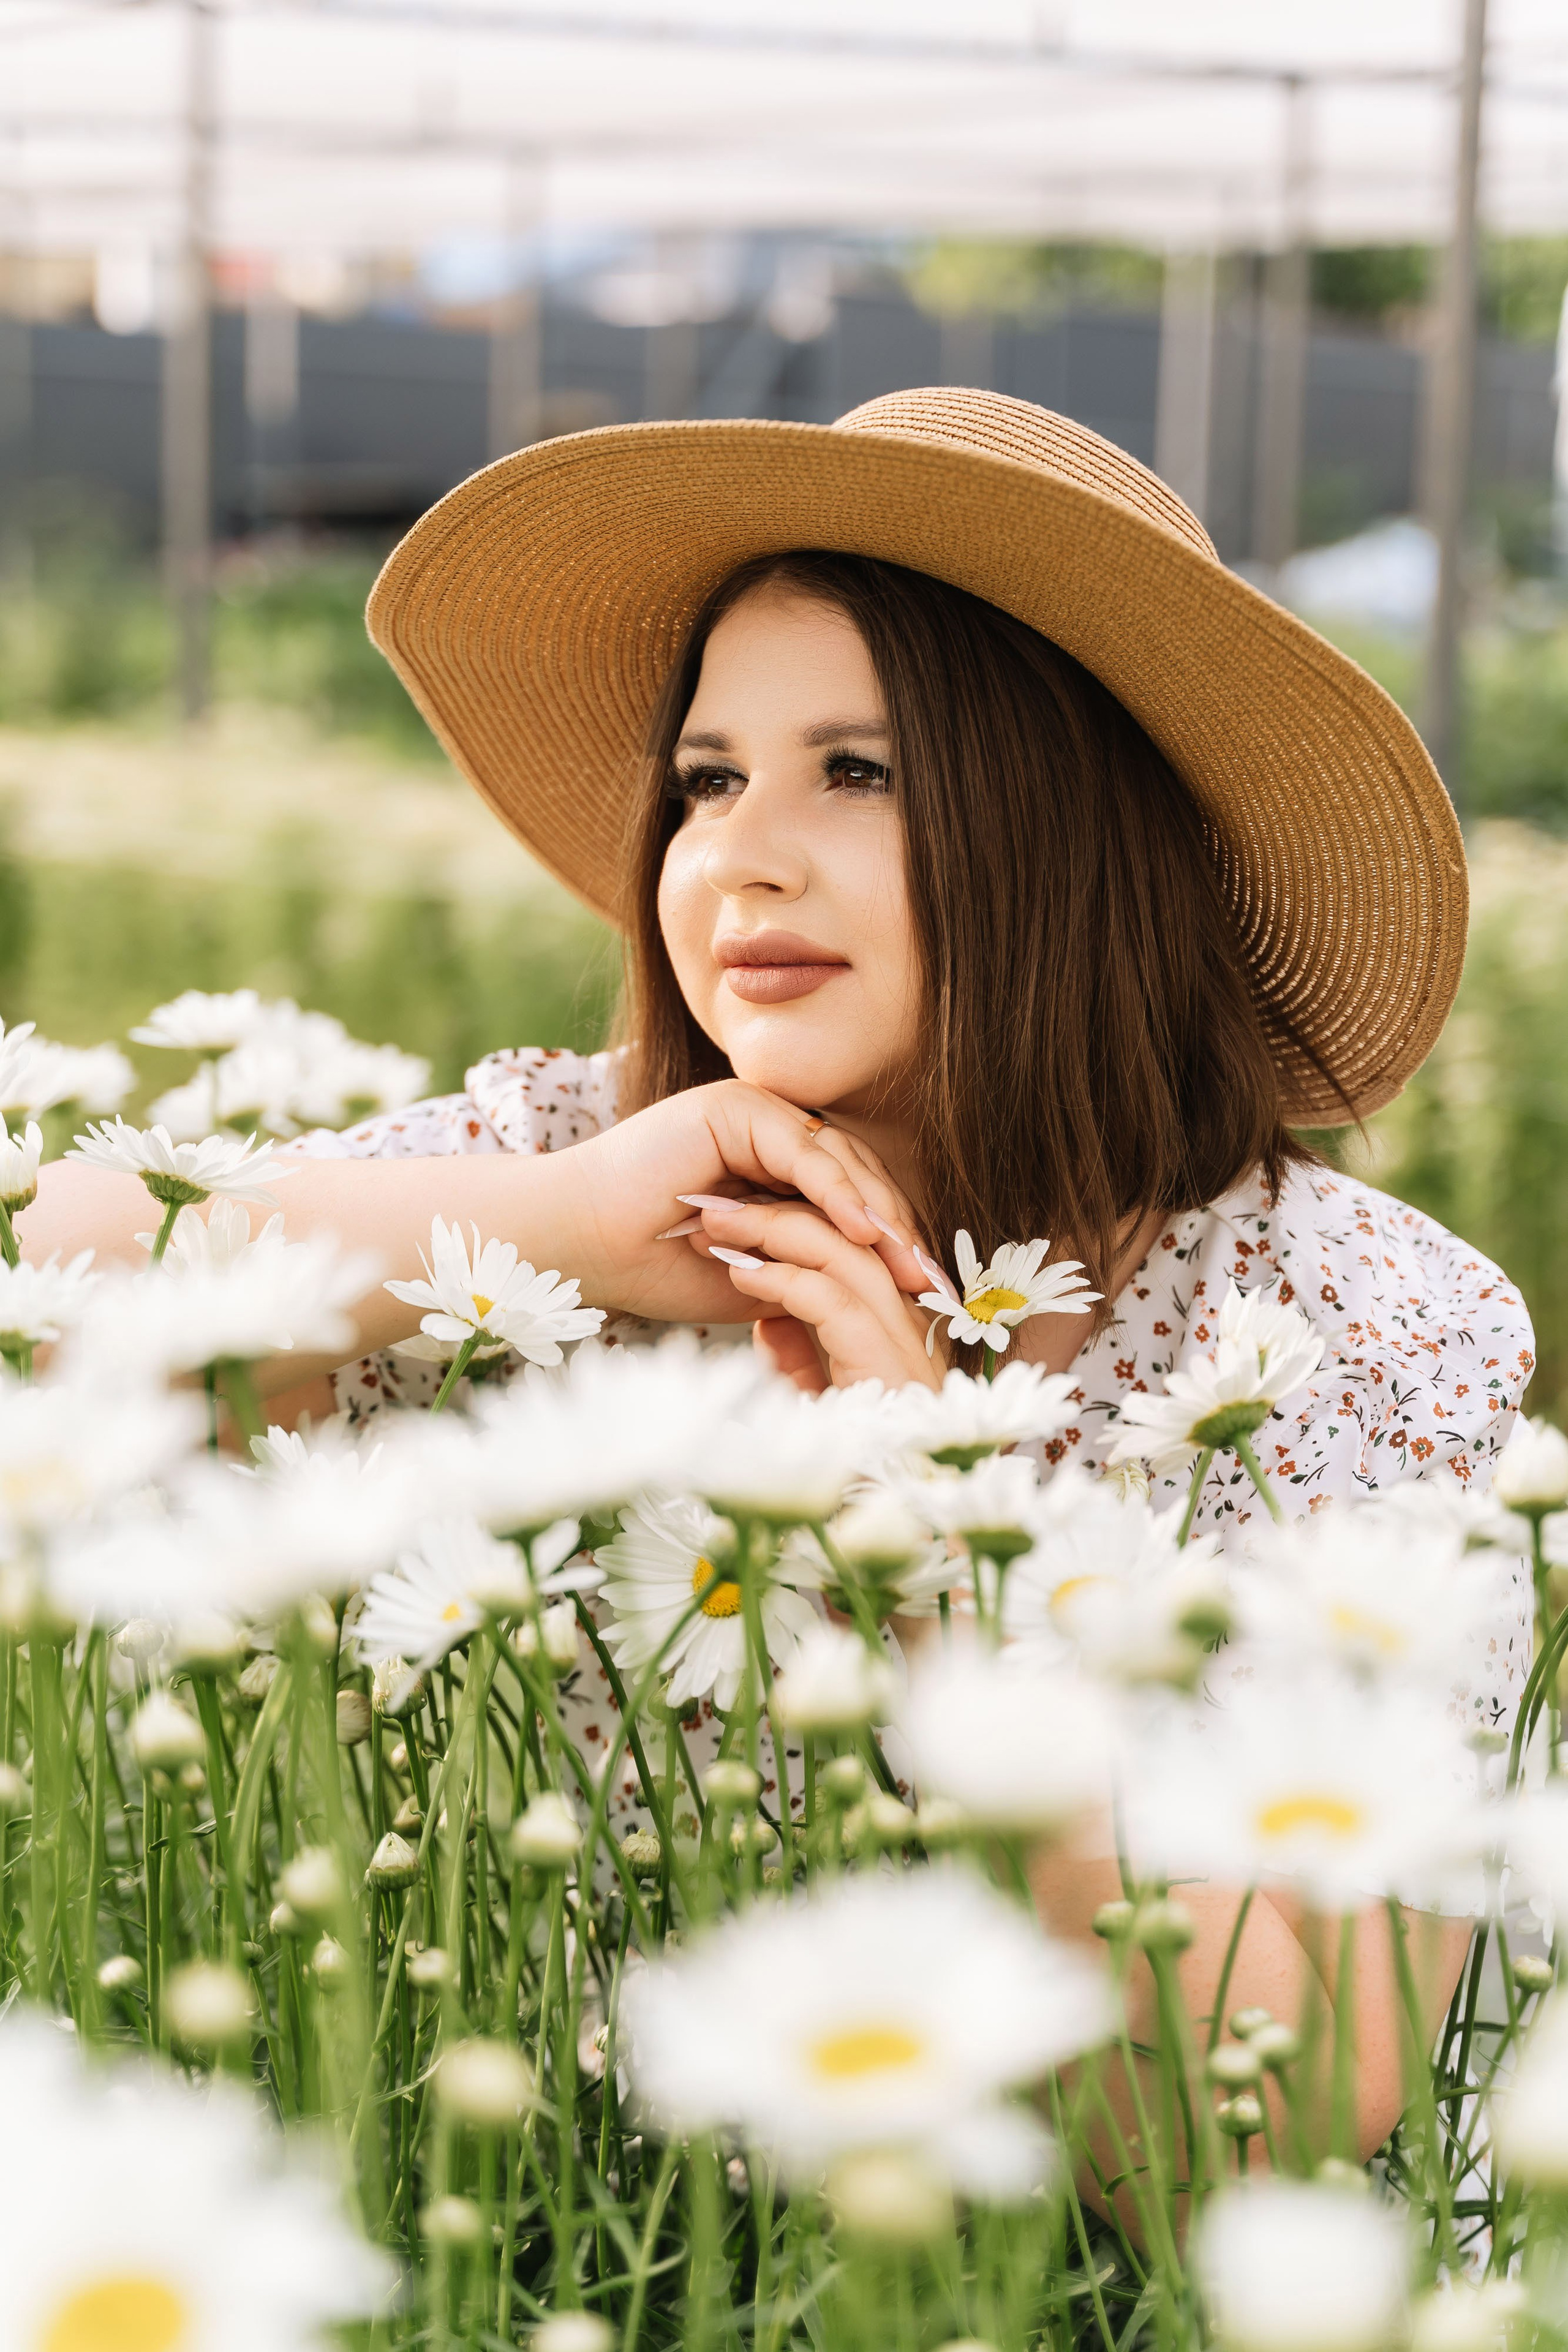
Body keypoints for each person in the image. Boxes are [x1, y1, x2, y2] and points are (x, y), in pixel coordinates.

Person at [31, 386, 1533, 2184]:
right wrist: (554, 1237)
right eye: (711, 780)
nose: (741, 853)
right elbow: (45, 1279)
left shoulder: (1351, 1323)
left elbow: (1288, 2122)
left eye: (863, 770)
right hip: (540, 2233)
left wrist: (935, 1567)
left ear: (1077, 830)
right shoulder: (563, 1159)